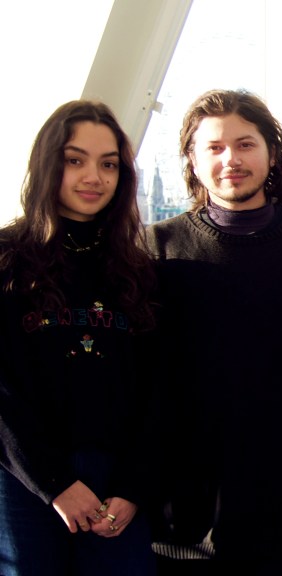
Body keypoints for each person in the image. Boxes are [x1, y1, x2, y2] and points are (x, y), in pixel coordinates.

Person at [145, 89, 282, 575]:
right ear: (192, 160)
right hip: (191, 518)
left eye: (245, 144)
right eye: (214, 147)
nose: (231, 159)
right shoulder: (156, 251)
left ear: (272, 152)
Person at [0, 101, 157, 575]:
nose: (94, 177)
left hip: (118, 488)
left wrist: (132, 488)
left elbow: (159, 390)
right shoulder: (7, 260)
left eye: (109, 164)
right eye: (75, 160)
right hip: (26, 483)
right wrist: (54, 485)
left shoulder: (139, 270)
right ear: (47, 164)